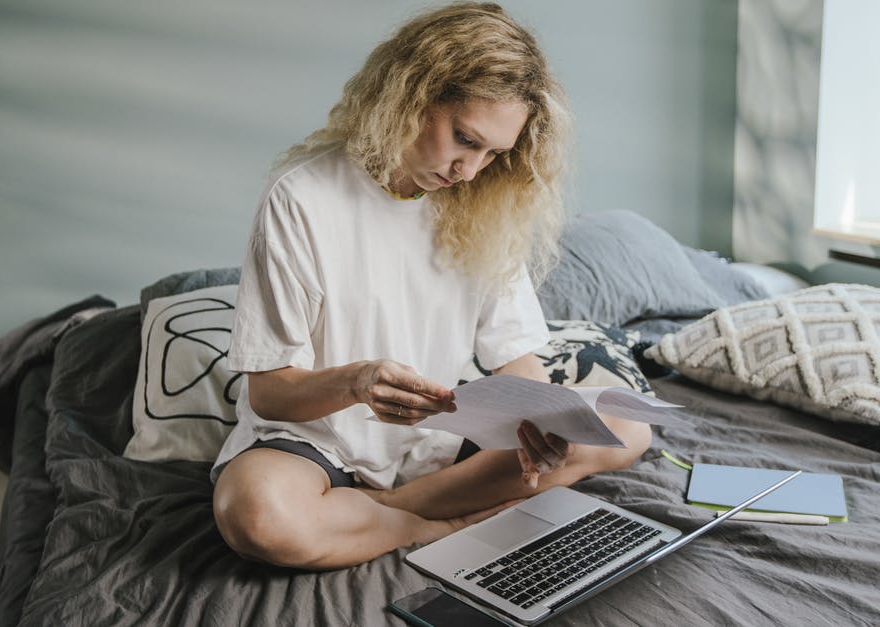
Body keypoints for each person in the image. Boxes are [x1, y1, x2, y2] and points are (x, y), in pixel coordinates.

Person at [212, 2, 651, 570]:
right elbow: (269, 392)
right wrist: (358, 382)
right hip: (316, 444)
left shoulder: (483, 203)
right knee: (256, 514)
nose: (470, 170)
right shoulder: (302, 197)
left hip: (439, 445)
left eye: (493, 154)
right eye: (464, 139)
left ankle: (391, 513)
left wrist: (541, 418)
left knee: (626, 426)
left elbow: (516, 357)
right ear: (411, 94)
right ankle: (437, 523)